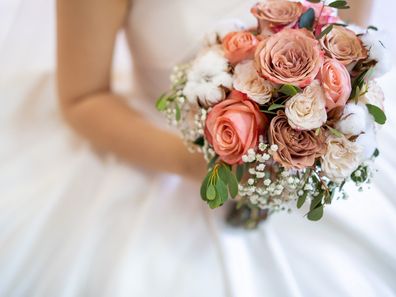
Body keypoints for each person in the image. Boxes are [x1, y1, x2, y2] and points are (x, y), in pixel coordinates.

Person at [4, 0, 396, 296]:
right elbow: (82, 97)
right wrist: (203, 165)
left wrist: (318, 139)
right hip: (165, 148)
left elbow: (352, 44)